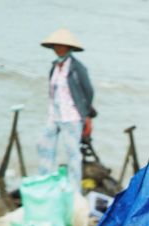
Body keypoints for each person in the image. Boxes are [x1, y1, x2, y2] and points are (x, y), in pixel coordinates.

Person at [37, 28, 94, 193]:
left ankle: (76, 192)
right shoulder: (54, 67)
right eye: (56, 46)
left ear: (69, 48)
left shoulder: (77, 68)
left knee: (73, 154)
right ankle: (44, 182)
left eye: (62, 46)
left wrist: (87, 116)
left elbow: (88, 91)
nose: (59, 49)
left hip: (72, 116)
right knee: (42, 145)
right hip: (54, 115)